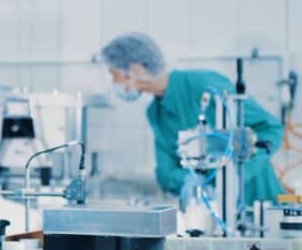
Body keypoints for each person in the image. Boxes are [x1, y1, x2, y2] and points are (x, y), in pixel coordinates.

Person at [99, 32, 284, 205]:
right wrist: (191, 180)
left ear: (135, 69)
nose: (113, 82)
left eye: (113, 74)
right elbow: (165, 173)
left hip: (258, 203)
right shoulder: (156, 113)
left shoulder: (204, 85)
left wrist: (236, 173)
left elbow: (271, 129)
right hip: (210, 211)